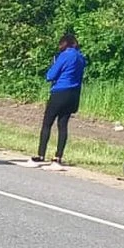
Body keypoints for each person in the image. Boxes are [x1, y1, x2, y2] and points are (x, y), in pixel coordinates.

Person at [29, 33, 85, 168]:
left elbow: (50, 75)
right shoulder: (81, 57)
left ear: (64, 43)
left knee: (47, 123)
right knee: (63, 125)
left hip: (60, 92)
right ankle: (58, 157)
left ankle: (40, 155)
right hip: (74, 94)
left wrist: (53, 65)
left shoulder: (65, 55)